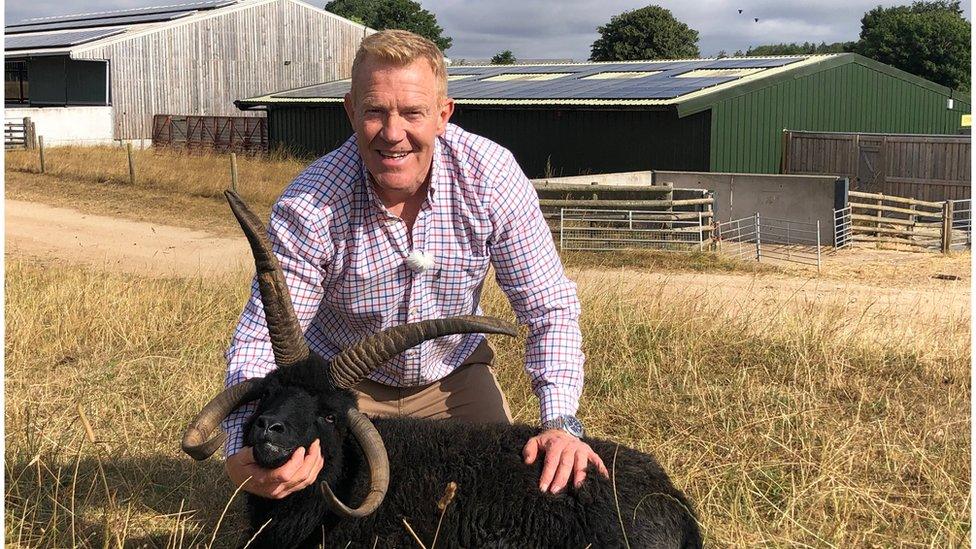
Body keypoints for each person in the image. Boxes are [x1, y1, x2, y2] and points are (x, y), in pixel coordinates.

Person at [222, 29, 608, 500]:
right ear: (350, 110)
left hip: (453, 381)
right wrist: (243, 447)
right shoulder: (311, 203)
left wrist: (561, 423)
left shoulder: (491, 176)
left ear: (443, 115)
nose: (392, 133)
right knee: (309, 503)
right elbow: (264, 337)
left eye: (412, 112)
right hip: (342, 391)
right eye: (375, 111)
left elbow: (548, 308)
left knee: (511, 492)